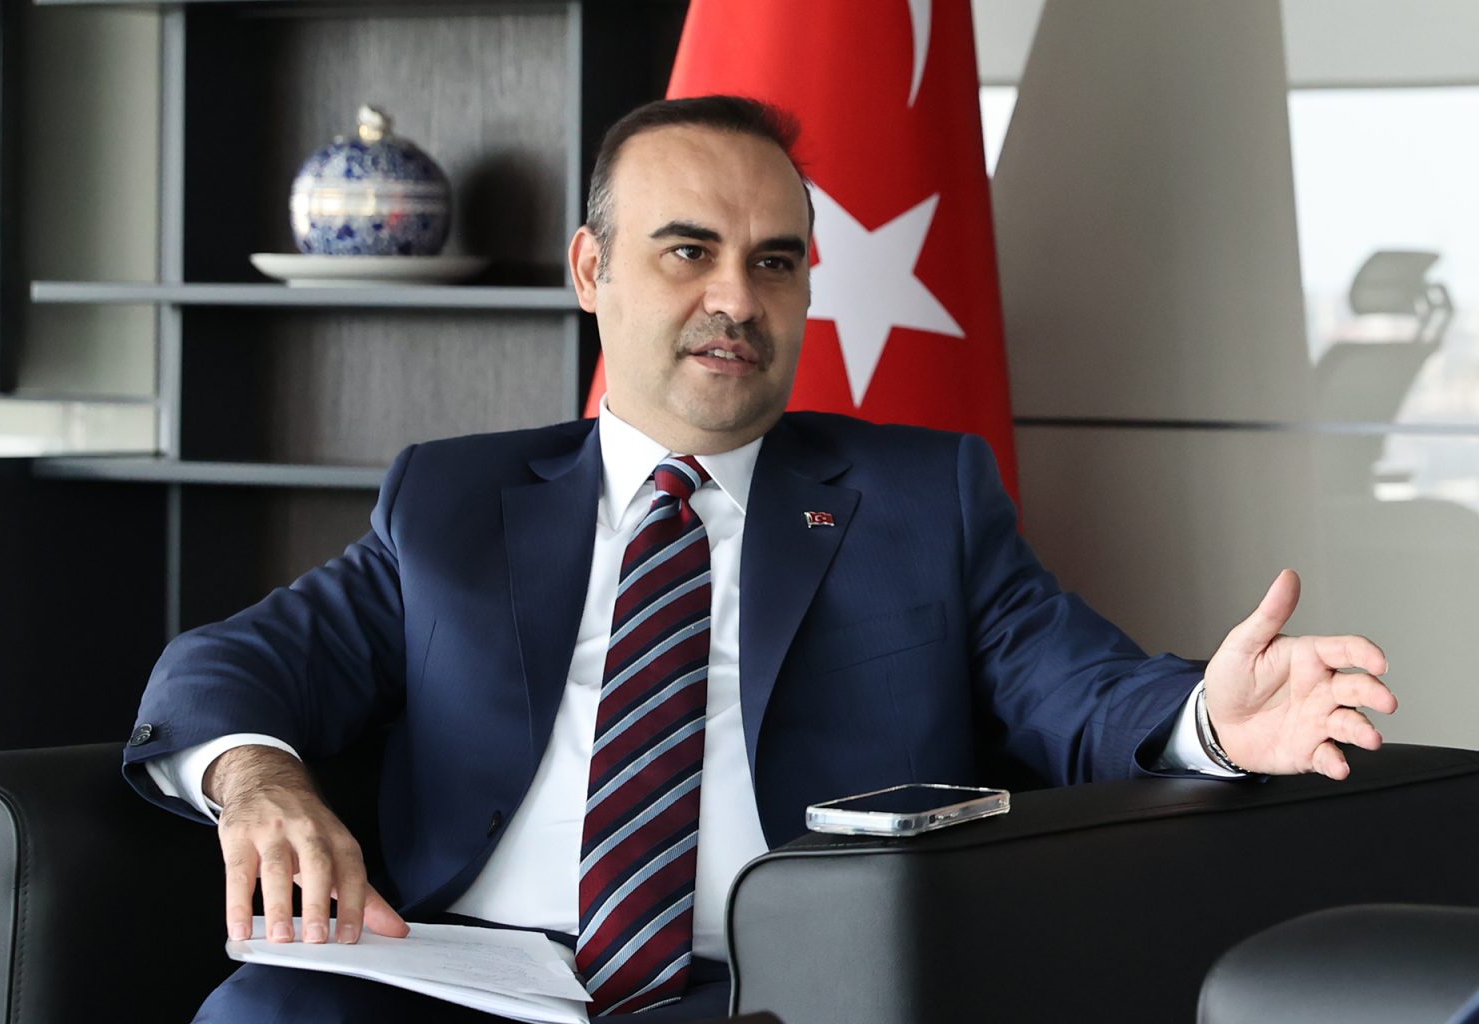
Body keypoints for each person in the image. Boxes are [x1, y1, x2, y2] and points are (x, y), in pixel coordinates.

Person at [124, 95, 1395, 1023]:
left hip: (771, 991)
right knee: (264, 1012)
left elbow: (1076, 689)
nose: (737, 297)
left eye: (775, 262)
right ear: (591, 270)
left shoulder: (920, 499)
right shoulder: (454, 500)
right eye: (689, 250)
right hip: (468, 981)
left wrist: (1209, 719)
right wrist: (257, 778)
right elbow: (231, 664)